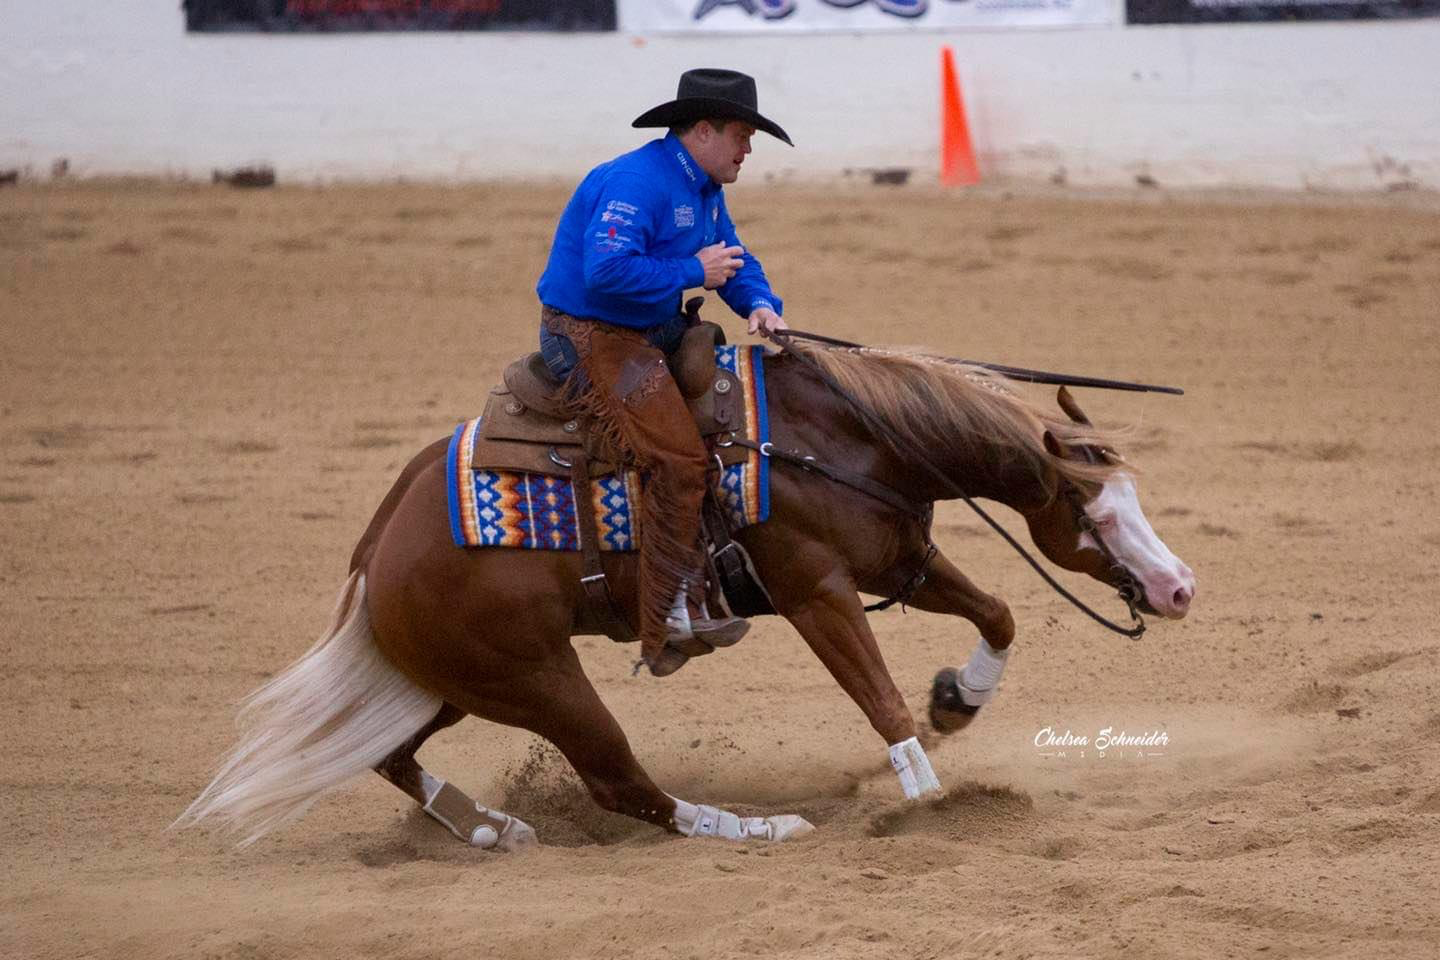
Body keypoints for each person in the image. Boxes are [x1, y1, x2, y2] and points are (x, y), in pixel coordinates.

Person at [535, 68, 792, 677]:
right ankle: (669, 612)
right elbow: (604, 271)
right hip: (589, 337)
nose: (748, 149)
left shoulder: (704, 187)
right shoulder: (636, 182)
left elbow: (731, 257)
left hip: (649, 331)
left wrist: (760, 303)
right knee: (678, 460)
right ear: (703, 131)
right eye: (742, 136)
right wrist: (692, 272)